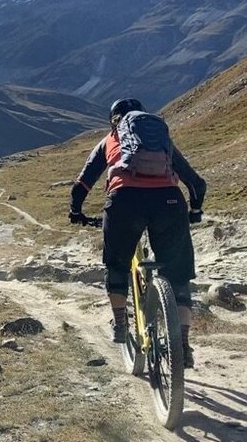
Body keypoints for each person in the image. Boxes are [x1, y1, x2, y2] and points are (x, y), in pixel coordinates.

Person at [69, 98, 206, 368]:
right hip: (169, 202)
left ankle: (120, 324)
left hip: (125, 202)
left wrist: (76, 212)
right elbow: (197, 184)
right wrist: (195, 212)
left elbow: (81, 184)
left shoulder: (111, 139)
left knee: (116, 264)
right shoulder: (162, 142)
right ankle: (183, 344)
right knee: (178, 277)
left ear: (113, 120)